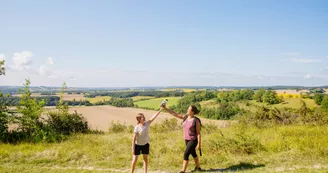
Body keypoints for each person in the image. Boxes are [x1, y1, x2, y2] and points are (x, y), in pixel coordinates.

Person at [161, 105, 202, 173]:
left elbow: (198, 133)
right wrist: (165, 108)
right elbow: (175, 114)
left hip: (193, 140)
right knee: (193, 153)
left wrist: (199, 143)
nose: (187, 110)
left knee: (186, 154)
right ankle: (198, 168)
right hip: (186, 139)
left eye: (189, 109)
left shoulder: (196, 120)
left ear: (192, 112)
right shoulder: (185, 117)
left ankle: (183, 170)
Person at [131, 108, 163, 173]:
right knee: (134, 160)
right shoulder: (137, 127)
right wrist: (133, 148)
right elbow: (134, 138)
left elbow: (154, 117)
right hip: (137, 145)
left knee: (145, 159)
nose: (143, 118)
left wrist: (160, 110)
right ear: (139, 119)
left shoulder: (147, 123)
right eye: (142, 117)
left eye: (143, 117)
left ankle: (145, 172)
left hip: (145, 144)